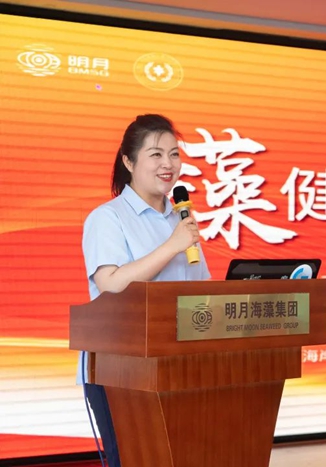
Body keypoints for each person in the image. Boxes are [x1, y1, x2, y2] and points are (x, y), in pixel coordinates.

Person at [78, 114, 211, 467]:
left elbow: (201, 291)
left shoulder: (180, 219)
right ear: (128, 161)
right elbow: (110, 284)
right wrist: (172, 246)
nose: (168, 164)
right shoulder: (107, 217)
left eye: (174, 154)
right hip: (121, 368)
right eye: (156, 155)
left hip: (181, 364)